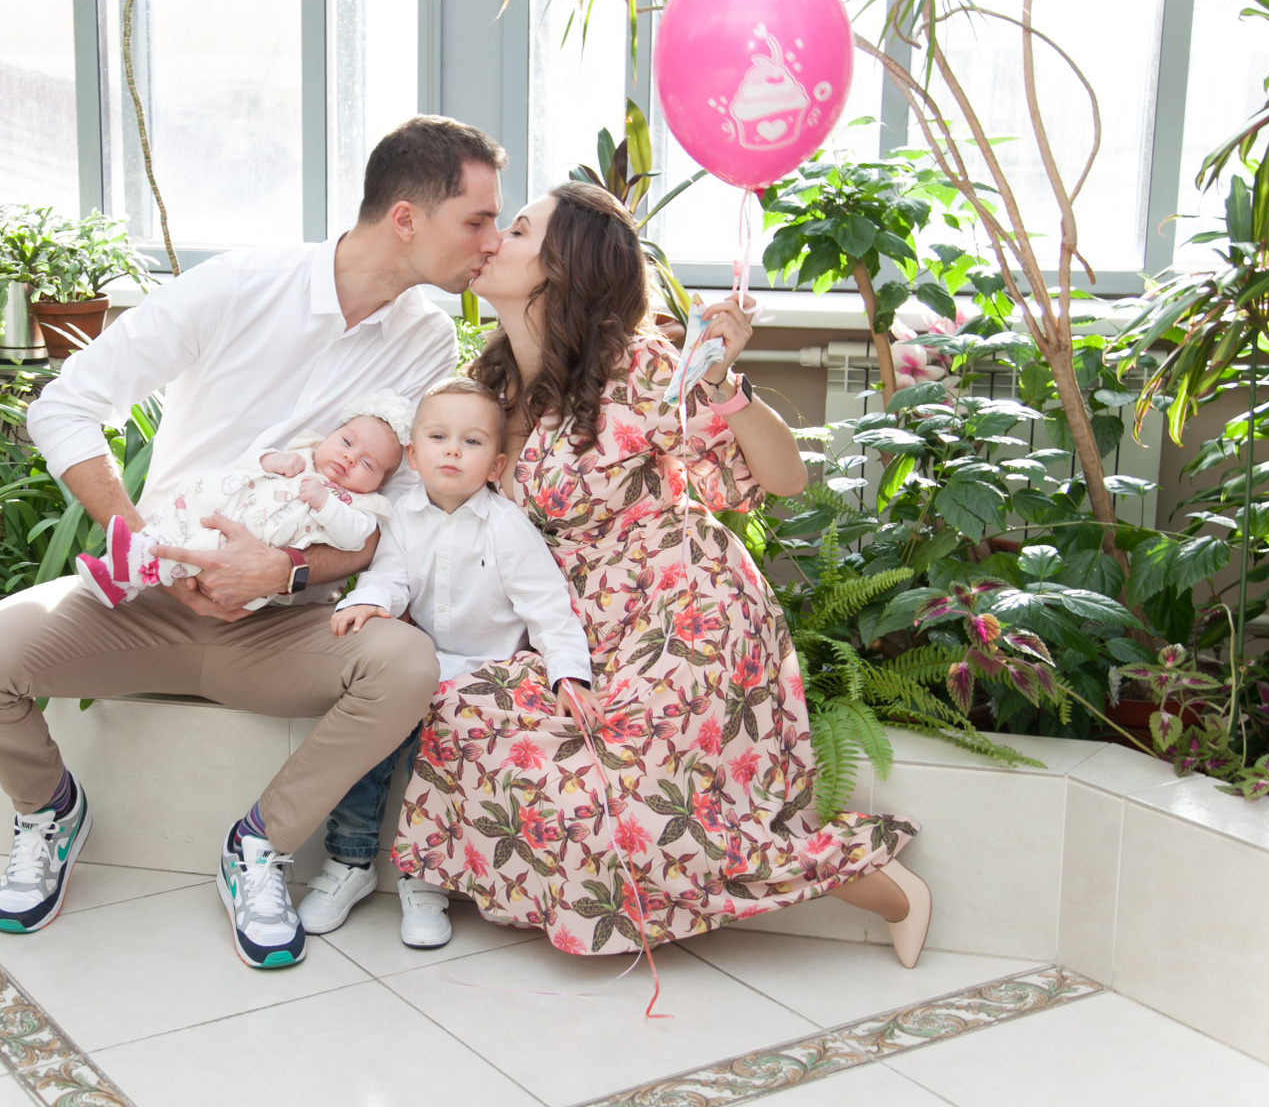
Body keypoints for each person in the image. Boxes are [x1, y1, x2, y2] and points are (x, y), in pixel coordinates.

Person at [0, 116, 505, 970]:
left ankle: (259, 846)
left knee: (406, 666)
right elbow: (64, 405)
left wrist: (284, 569)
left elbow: (400, 517)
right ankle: (49, 810)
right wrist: (142, 545)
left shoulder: (425, 341)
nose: (492, 241)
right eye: (478, 220)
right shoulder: (240, 285)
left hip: (285, 628)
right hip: (143, 606)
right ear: (406, 219)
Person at [320, 181, 933, 966]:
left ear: (563, 267)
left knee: (653, 807)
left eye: (517, 230)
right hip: (569, 622)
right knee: (468, 711)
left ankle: (875, 885)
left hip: (682, 612)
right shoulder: (492, 386)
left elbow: (781, 480)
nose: (491, 240)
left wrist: (723, 381)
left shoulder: (639, 368)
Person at [315, 377, 594, 948]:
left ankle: (427, 876)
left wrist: (569, 674)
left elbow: (548, 608)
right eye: (439, 437)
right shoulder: (402, 516)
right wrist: (368, 601)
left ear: (495, 465)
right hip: (426, 661)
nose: (452, 451)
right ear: (414, 456)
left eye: (472, 442)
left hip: (490, 672)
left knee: (446, 737)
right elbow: (390, 576)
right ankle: (349, 858)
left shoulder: (506, 526)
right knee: (371, 723)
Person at [75, 391, 413, 611]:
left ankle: (130, 570)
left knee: (200, 551)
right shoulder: (302, 455)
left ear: (379, 485)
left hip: (252, 553)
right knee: (184, 515)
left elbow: (354, 539)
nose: (350, 458)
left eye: (367, 463)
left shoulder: (361, 506)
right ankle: (120, 571)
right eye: (347, 442)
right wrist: (271, 460)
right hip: (226, 513)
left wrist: (326, 503)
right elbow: (249, 465)